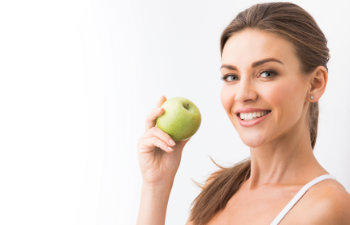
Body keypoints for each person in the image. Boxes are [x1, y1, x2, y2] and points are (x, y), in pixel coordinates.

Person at [136, 2, 350, 225]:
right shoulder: (218, 189)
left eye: (266, 73)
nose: (243, 94)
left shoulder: (327, 206)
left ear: (315, 84)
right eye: (231, 77)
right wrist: (156, 185)